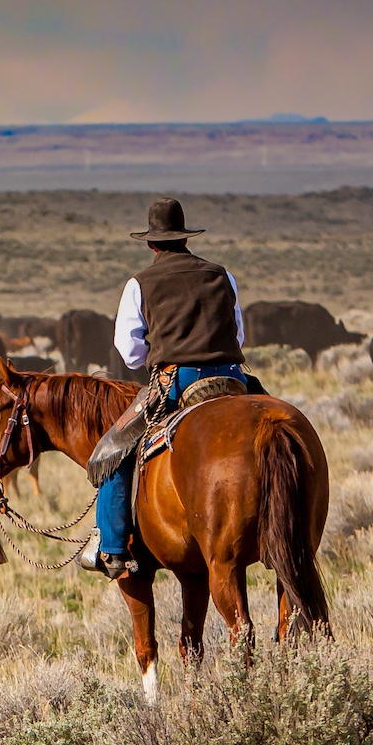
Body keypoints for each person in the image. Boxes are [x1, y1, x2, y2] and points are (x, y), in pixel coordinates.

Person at [82, 198, 246, 578]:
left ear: (151, 244)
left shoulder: (140, 284)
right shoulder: (222, 275)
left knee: (113, 450)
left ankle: (112, 547)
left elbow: (130, 352)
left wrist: (158, 353)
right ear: (185, 238)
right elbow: (239, 334)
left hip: (178, 381)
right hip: (234, 377)